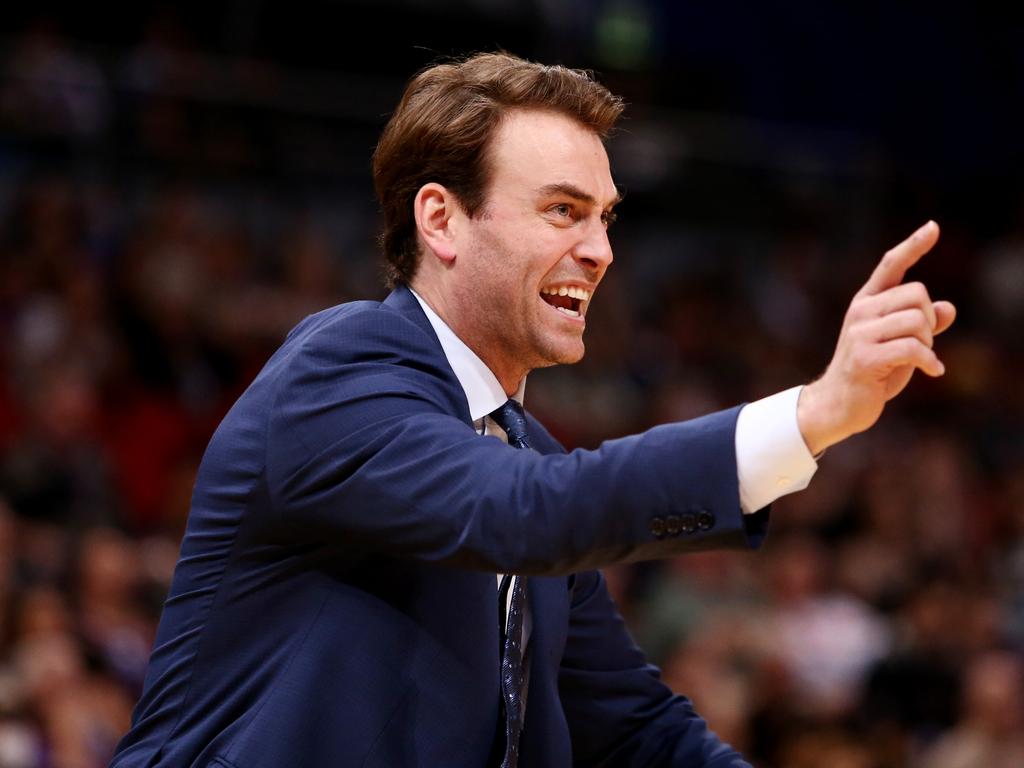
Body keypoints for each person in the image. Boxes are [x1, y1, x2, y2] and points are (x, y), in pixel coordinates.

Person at [109, 52, 955, 767]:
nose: (599, 250)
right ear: (442, 219)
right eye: (562, 210)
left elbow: (636, 731)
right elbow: (527, 513)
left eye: (604, 217)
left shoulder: (524, 456)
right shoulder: (338, 372)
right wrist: (813, 414)